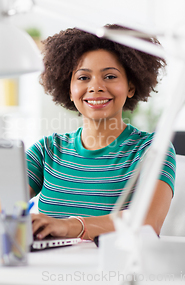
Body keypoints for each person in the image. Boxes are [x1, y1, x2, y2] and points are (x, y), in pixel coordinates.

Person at [27, 25, 176, 241]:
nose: (95, 87)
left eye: (110, 76)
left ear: (130, 87)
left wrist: (69, 226)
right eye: (83, 78)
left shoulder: (152, 150)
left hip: (113, 272)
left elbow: (147, 223)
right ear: (69, 90)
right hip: (43, 269)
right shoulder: (46, 151)